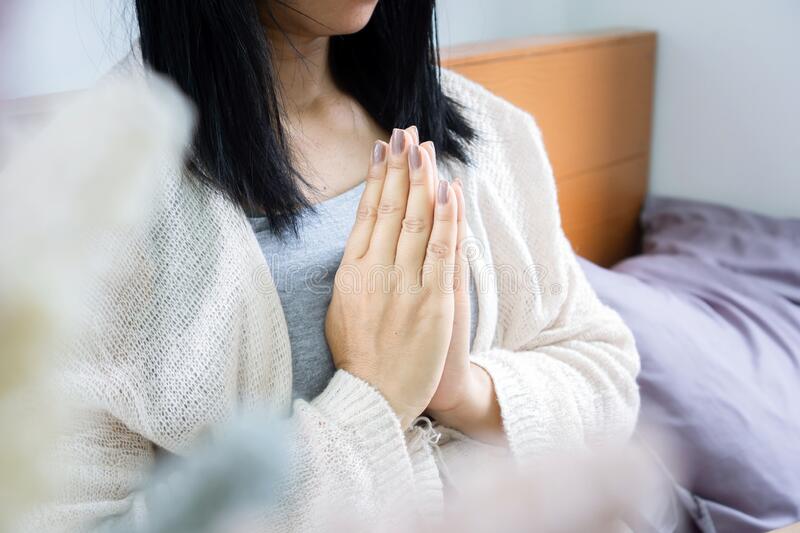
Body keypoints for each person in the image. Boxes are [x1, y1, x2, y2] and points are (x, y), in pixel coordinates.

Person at [34, 1, 640, 530]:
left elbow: (606, 374)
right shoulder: (85, 211)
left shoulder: (490, 133)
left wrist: (462, 390)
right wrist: (372, 402)